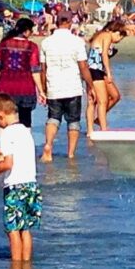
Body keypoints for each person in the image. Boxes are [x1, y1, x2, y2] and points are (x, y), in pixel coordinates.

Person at [0, 94, 41, 262]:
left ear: (0, 115)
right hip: (31, 185)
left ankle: (16, 267)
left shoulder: (7, 133)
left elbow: (8, 164)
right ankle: (26, 264)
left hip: (15, 186)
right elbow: (15, 156)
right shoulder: (25, 131)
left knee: (12, 230)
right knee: (25, 229)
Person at [40, 12, 96, 161]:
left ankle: (48, 145)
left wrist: (44, 89)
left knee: (53, 118)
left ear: (56, 22)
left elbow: (43, 69)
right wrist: (90, 86)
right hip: (73, 87)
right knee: (73, 121)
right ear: (70, 22)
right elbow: (83, 66)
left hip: (54, 86)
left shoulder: (46, 42)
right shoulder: (77, 42)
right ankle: (71, 154)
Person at [0, 17, 46, 129]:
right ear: (27, 31)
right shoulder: (32, 47)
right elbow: (35, 70)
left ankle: (4, 145)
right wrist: (41, 91)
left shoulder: (4, 44)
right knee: (25, 121)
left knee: (4, 120)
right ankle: (25, 145)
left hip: (5, 87)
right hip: (25, 88)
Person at [86, 18, 127, 135]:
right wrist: (109, 72)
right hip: (94, 70)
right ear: (116, 32)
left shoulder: (102, 36)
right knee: (100, 101)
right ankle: (102, 130)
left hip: (98, 70)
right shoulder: (107, 35)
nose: (119, 40)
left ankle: (98, 120)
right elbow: (103, 54)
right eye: (120, 37)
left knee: (115, 95)